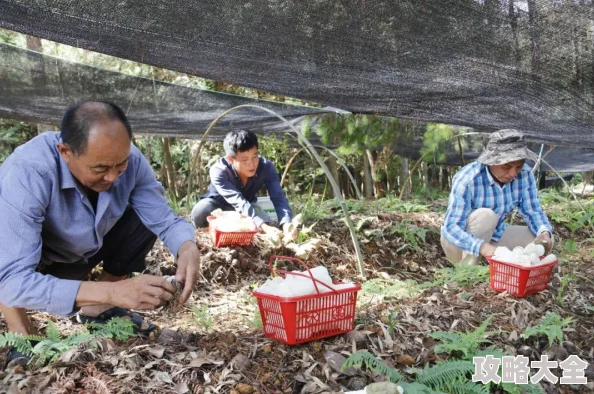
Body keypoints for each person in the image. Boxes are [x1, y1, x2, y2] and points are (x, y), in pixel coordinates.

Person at [0, 102, 201, 365]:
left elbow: (163, 218)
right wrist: (112, 291)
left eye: (121, 165)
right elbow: (12, 280)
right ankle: (21, 333)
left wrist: (187, 246)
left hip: (85, 252)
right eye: (100, 168)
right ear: (65, 152)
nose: (113, 177)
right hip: (37, 265)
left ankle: (97, 309)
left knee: (143, 218)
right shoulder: (28, 172)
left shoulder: (130, 162)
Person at [441, 129, 553, 265]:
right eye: (507, 166)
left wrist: (544, 231)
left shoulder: (524, 174)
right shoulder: (468, 179)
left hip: (494, 235)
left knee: (542, 241)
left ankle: (509, 268)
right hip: (460, 243)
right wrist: (482, 247)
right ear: (491, 161)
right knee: (486, 216)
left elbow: (533, 211)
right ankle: (467, 271)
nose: (513, 173)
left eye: (518, 166)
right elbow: (451, 228)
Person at [190, 130, 296, 240]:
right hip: (218, 207)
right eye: (244, 159)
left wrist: (286, 223)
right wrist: (262, 226)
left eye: (255, 157)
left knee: (263, 221)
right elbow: (238, 201)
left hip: (249, 207)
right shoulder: (219, 171)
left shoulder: (266, 167)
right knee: (200, 211)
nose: (251, 164)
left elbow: (278, 197)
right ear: (231, 159)